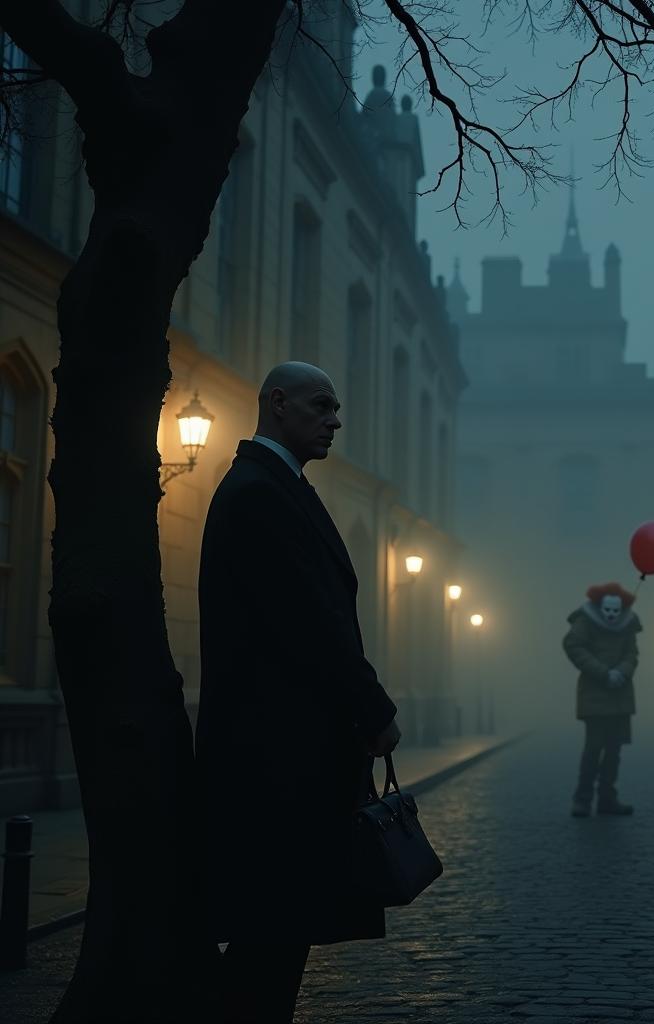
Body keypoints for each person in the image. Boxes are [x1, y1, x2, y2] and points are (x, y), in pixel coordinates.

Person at [195, 361, 401, 1023]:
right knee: (272, 932)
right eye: (323, 406)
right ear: (278, 404)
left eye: (337, 409)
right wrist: (374, 709)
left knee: (279, 933)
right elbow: (308, 621)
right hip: (274, 755)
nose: (336, 421)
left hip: (287, 748)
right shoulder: (259, 491)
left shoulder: (279, 486)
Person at [563, 582, 642, 817]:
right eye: (607, 610)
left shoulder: (628, 625)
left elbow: (632, 654)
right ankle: (583, 799)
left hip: (619, 696)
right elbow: (573, 645)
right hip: (595, 696)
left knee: (614, 751)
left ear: (621, 609)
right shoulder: (585, 621)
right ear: (600, 607)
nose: (611, 615)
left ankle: (607, 798)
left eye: (615, 611)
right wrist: (602, 672)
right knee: (593, 748)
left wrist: (621, 672)